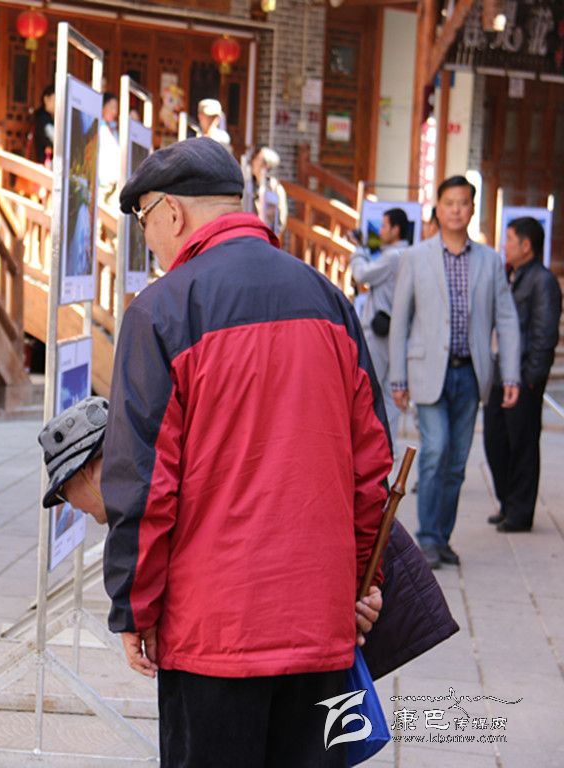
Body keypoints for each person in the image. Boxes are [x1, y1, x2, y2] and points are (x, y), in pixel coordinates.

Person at [101, 137, 393, 767]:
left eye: (144, 222)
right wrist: (358, 582)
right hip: (320, 624)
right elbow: (372, 467)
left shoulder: (162, 311)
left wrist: (134, 605)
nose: (150, 241)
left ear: (171, 212)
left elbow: (144, 485)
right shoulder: (329, 300)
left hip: (214, 631)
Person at [38, 397, 459, 688]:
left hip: (258, 644)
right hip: (297, 625)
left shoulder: (167, 485)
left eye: (66, 495)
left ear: (90, 471)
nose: (71, 508)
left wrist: (363, 585)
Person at [388, 175, 521, 570]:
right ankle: (427, 538)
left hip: (470, 374)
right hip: (429, 371)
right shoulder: (416, 257)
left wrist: (510, 375)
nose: (456, 210)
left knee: (458, 462)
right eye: (449, 203)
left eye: (463, 202)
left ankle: (442, 537)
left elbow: (506, 319)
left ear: (472, 208)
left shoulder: (490, 261)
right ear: (438, 209)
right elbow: (400, 320)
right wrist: (398, 377)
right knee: (436, 449)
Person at [483, 217, 562, 532]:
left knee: (522, 447)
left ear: (526, 245)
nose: (505, 246)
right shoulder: (511, 276)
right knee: (496, 442)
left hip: (524, 379)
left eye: (510, 240)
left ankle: (520, 513)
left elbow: (544, 335)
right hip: (501, 376)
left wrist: (530, 378)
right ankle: (507, 503)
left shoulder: (542, 281)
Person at [350, 207, 411, 443]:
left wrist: (358, 251)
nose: (381, 231)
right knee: (389, 395)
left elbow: (362, 275)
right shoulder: (406, 254)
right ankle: (388, 447)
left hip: (380, 335)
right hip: (396, 332)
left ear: (396, 229)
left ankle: (378, 448)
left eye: (385, 226)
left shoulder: (393, 256)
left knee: (372, 392)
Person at [242, 145, 288, 236]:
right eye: (255, 158)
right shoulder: (247, 185)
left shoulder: (276, 189)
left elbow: (281, 220)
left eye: (258, 159)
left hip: (266, 236)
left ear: (266, 165)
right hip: (247, 236)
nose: (254, 162)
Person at [98, 92, 121, 203]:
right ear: (103, 107)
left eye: (116, 108)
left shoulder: (115, 130)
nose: (114, 112)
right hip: (100, 182)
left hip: (114, 183)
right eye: (112, 107)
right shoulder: (97, 128)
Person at [31, 85, 56, 167]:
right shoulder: (42, 117)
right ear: (46, 99)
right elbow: (54, 139)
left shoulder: (51, 117)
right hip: (43, 163)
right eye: (55, 100)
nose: (57, 103)